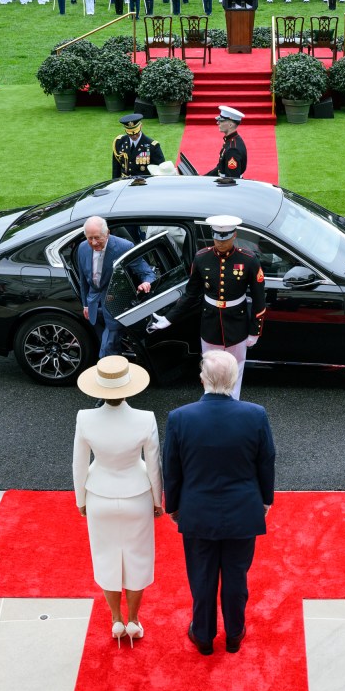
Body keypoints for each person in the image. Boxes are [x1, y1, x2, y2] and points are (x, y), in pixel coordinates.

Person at [163, 351, 276, 656]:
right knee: (236, 577)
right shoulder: (256, 414)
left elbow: (171, 469)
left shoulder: (180, 418)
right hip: (243, 511)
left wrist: (172, 506)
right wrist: (265, 499)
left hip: (197, 511)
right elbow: (266, 462)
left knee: (201, 576)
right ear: (234, 378)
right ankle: (235, 633)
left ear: (202, 379)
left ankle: (202, 635)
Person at [72, 356, 163, 647]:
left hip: (99, 495)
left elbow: (78, 464)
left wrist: (80, 499)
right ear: (129, 388)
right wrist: (158, 500)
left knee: (106, 557)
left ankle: (115, 619)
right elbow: (154, 465)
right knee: (137, 558)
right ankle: (134, 620)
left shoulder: (84, 418)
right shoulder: (145, 418)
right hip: (137, 495)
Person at [150, 214, 266, 400]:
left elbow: (260, 299)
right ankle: (210, 402)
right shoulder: (202, 258)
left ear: (234, 235)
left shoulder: (249, 260)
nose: (221, 243)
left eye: (225, 238)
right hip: (210, 321)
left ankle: (232, 403)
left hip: (237, 322)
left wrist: (255, 330)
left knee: (236, 367)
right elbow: (191, 294)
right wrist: (169, 318)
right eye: (217, 238)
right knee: (210, 367)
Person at [75, 216, 154, 359]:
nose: (93, 242)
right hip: (94, 304)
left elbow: (146, 272)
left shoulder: (124, 247)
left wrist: (146, 282)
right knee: (108, 343)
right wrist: (85, 304)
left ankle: (107, 371)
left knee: (107, 348)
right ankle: (118, 366)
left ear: (108, 233)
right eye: (90, 238)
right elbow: (83, 280)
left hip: (116, 303)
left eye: (97, 238)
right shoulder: (82, 248)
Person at [112, 113, 165, 179]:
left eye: (136, 132)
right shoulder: (119, 142)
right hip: (124, 182)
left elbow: (160, 170)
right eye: (130, 134)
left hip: (143, 185)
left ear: (141, 126)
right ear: (125, 130)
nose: (134, 136)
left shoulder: (152, 146)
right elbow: (116, 168)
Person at [205, 105, 247, 179]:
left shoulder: (233, 149)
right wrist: (203, 178)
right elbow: (220, 168)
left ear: (230, 125)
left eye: (221, 121)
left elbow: (232, 180)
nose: (218, 123)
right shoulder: (231, 141)